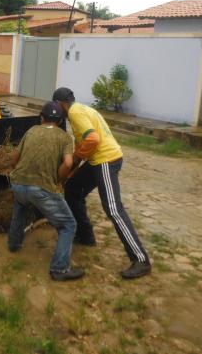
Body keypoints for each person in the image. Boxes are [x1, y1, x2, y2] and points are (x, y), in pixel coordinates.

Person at [52, 87, 151, 279]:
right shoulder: (79, 111)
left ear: (60, 104)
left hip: (106, 160)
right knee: (73, 189)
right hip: (96, 160)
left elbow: (92, 140)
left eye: (56, 107)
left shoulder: (75, 112)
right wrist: (72, 171)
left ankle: (141, 260)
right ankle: (85, 236)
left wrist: (75, 158)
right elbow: (82, 145)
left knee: (113, 208)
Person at [8, 101, 84, 281]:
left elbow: (14, 158)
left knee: (20, 207)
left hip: (18, 183)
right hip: (41, 189)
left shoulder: (31, 131)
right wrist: (58, 180)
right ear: (59, 120)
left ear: (41, 117)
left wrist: (17, 173)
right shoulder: (64, 137)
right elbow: (67, 163)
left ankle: (13, 244)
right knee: (68, 225)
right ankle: (59, 269)